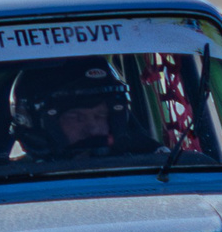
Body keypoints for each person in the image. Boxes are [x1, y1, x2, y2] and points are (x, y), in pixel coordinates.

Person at [8, 58, 149, 161]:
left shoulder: (153, 170)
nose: (93, 129)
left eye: (101, 115)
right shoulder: (10, 189)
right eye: (76, 117)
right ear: (37, 124)